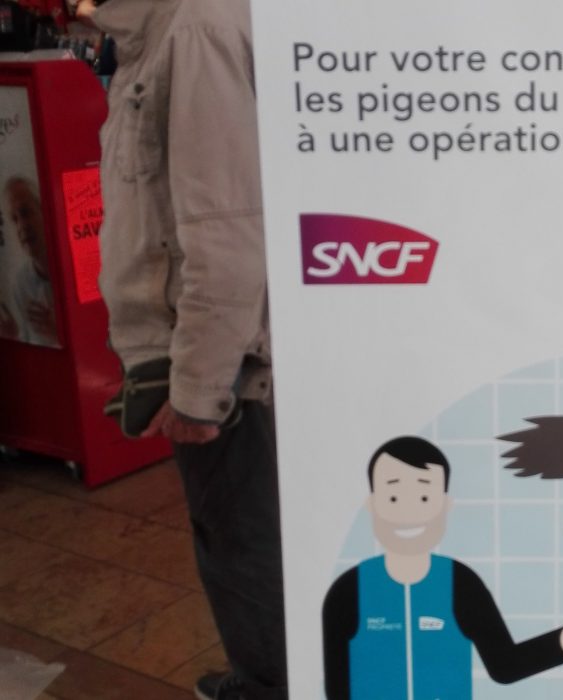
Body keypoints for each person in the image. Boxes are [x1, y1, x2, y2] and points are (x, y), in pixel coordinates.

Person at [74, 0, 286, 698]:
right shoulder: (161, 29)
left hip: (229, 371)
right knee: (245, 535)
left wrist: (199, 389)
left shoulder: (196, 28)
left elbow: (227, 232)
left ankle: (266, 687)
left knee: (240, 541)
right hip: (222, 356)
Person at [322, 436, 563, 700]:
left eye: (424, 498)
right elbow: (337, 689)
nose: (409, 513)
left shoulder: (459, 583)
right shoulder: (349, 590)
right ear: (372, 504)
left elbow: (504, 665)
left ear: (445, 505)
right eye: (393, 498)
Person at [1, 176, 58, 347]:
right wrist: (13, 337)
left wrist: (60, 333)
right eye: (15, 219)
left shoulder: (77, 270)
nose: (22, 226)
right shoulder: (20, 284)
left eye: (26, 213)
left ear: (44, 212)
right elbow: (29, 342)